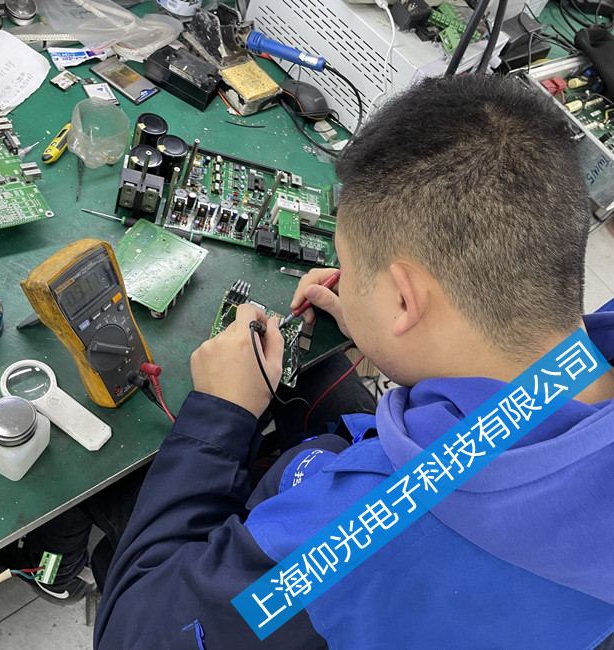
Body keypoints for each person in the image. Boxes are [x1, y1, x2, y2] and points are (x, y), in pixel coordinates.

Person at [93, 73, 614, 649]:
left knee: (113, 497)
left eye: (349, 263)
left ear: (404, 301)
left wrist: (218, 416)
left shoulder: (351, 538)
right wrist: (392, 330)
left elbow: (132, 635)